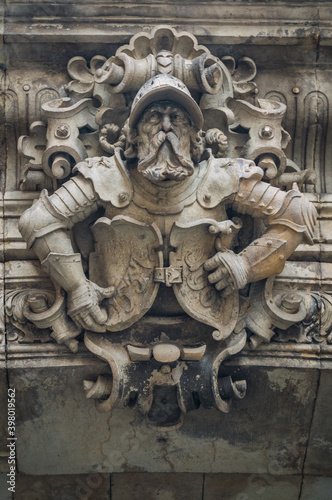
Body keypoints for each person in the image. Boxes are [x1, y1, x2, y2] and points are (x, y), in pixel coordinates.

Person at [19, 74, 317, 336]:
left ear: (193, 134)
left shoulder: (223, 176)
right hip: (113, 316)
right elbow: (38, 220)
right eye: (153, 118)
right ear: (133, 135)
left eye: (176, 119)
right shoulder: (105, 176)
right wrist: (76, 287)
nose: (165, 127)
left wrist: (245, 265)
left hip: (213, 320)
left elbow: (297, 213)